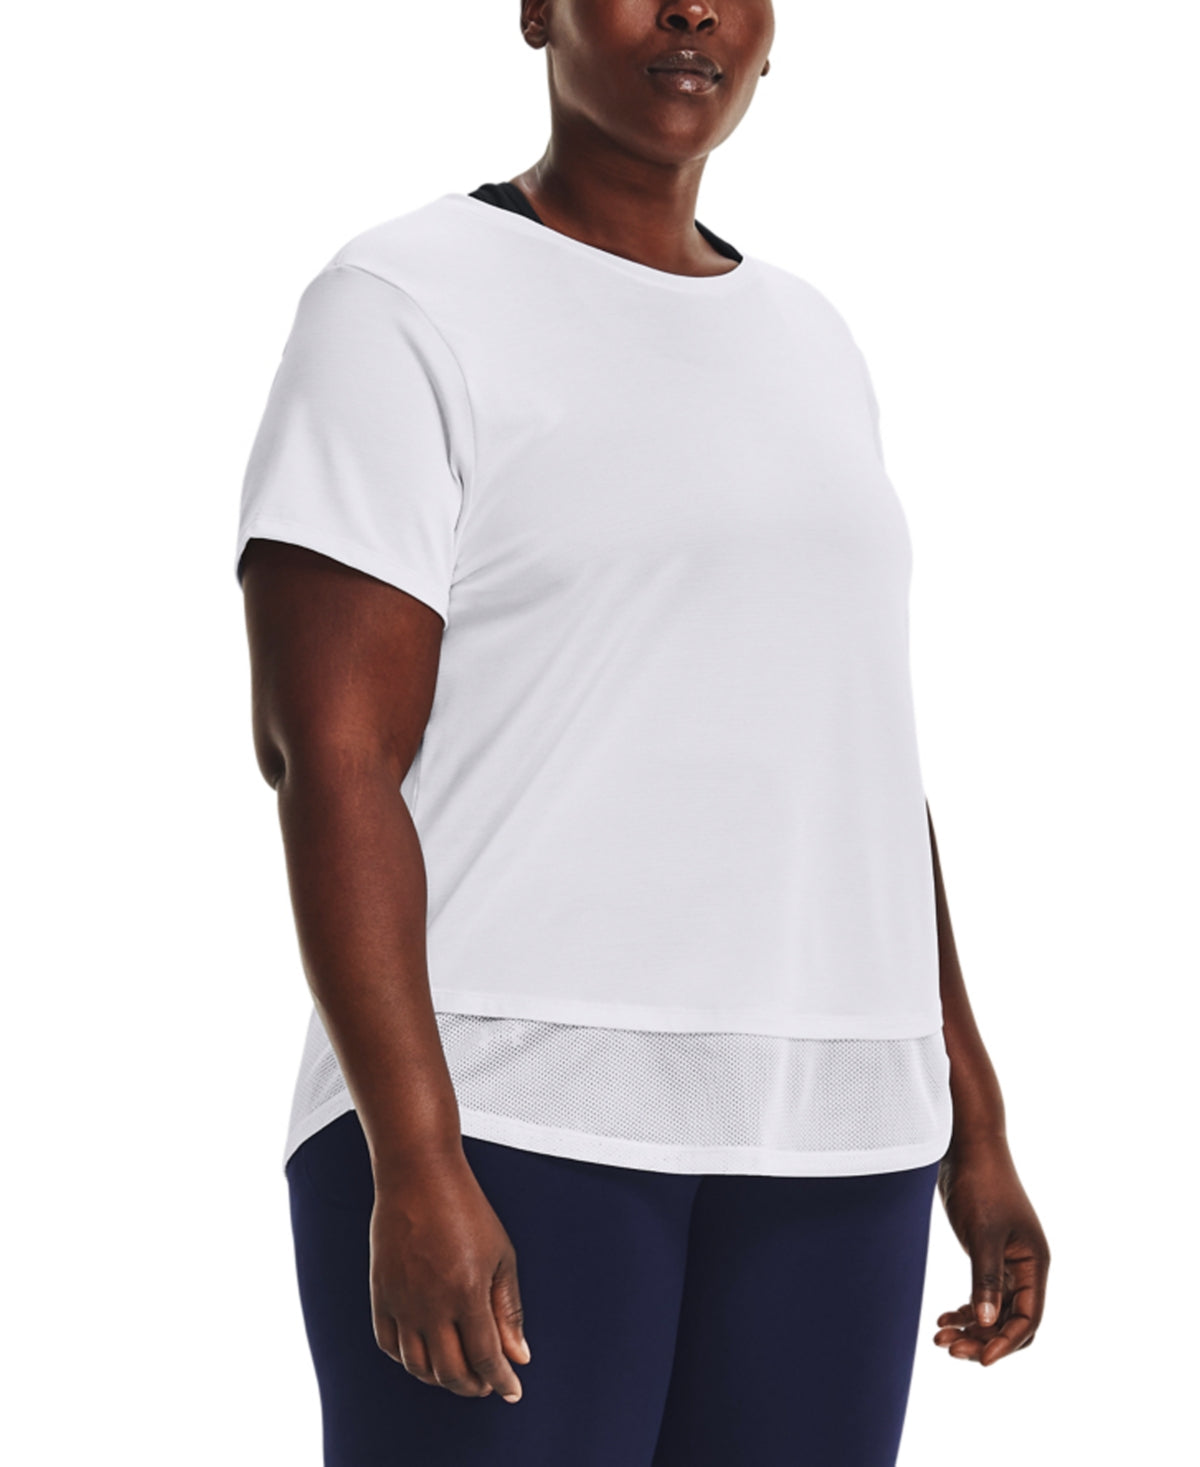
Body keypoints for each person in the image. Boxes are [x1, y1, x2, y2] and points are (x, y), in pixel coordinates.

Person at [234, 4, 1050, 1464]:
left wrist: (972, 1119)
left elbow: (856, 764)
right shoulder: (403, 301)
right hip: (508, 1119)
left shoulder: (811, 337)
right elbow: (328, 754)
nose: (690, 11)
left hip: (837, 1139)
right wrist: (412, 1155)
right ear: (536, 10)